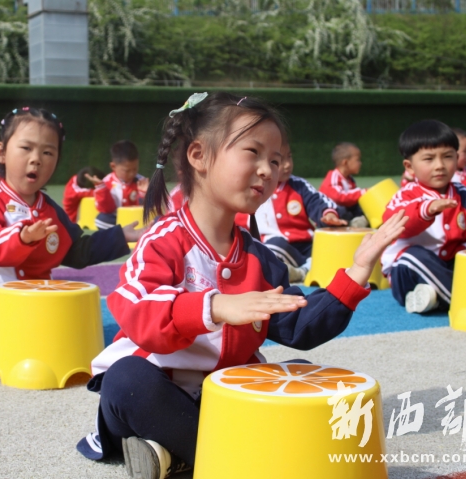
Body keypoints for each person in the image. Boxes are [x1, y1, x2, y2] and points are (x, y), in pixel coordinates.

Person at [76, 92, 408, 478]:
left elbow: (299, 326)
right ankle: (231, 459)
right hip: (156, 390)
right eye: (253, 152)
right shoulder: (163, 240)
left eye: (276, 160)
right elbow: (137, 310)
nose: (268, 170)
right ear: (199, 156)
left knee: (301, 373)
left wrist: (356, 272)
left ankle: (180, 456)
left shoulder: (260, 258)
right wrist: (214, 306)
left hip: (222, 395)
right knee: (126, 380)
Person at [0, 107, 142, 363]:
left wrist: (121, 236)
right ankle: (6, 336)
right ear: (2, 152)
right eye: (26, 148)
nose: (36, 159)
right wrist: (20, 239)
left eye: (48, 152)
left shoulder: (51, 212)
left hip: (29, 300)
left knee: (67, 304)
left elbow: (76, 250)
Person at [381, 120, 466, 314]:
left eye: (447, 157)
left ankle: (437, 298)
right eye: (429, 159)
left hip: (452, 266)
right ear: (409, 167)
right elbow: (395, 222)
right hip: (409, 273)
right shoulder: (405, 196)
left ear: (457, 158)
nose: (440, 165)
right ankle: (463, 299)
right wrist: (426, 209)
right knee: (410, 256)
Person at [236, 142, 345, 283]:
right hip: (274, 246)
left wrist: (328, 214)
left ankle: (301, 271)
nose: (287, 164)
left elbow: (317, 200)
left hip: (306, 245)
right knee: (268, 250)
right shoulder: (254, 189)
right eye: (279, 161)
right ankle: (300, 271)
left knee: (329, 251)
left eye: (289, 157)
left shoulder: (299, 185)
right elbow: (237, 220)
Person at [94, 140, 149, 229]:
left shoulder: (142, 182)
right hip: (117, 220)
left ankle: (124, 231)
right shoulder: (106, 183)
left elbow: (148, 209)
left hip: (137, 220)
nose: (132, 174)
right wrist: (102, 191)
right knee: (101, 220)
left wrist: (144, 194)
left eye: (135, 169)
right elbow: (106, 209)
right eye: (127, 171)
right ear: (113, 166)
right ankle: (122, 231)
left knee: (156, 219)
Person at [319, 142, 369, 227]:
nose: (360, 163)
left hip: (345, 211)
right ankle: (353, 224)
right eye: (357, 160)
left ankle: (361, 220)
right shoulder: (334, 176)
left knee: (359, 206)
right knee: (341, 209)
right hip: (329, 214)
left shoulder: (349, 179)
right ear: (345, 162)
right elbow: (339, 197)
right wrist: (362, 192)